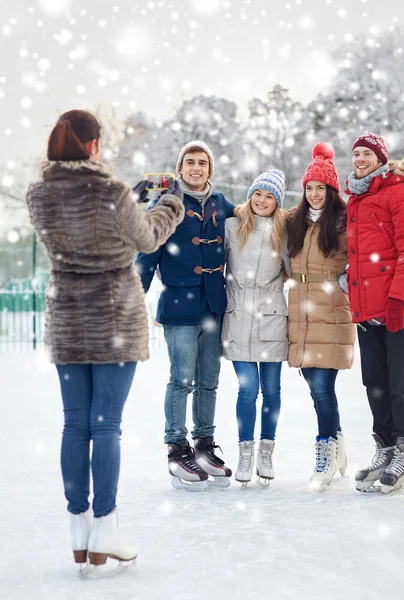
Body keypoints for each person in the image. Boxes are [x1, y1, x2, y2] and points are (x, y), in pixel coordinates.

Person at [25, 110, 184, 568]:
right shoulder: (111, 192)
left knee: (74, 423)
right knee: (106, 425)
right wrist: (168, 203)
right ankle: (106, 527)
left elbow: (76, 238)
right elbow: (149, 237)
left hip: (69, 318)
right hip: (113, 318)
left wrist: (128, 204)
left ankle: (79, 528)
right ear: (94, 145)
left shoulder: (39, 195)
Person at [135, 140, 235, 489]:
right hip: (179, 307)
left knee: (209, 381)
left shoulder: (222, 204)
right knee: (182, 379)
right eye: (190, 162)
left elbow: (256, 221)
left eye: (203, 163)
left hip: (213, 306)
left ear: (210, 169)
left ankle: (204, 445)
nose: (196, 168)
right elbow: (147, 254)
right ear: (180, 168)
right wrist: (133, 299)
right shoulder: (168, 204)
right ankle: (177, 448)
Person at [346, 133, 404, 494]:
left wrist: (398, 299)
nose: (360, 159)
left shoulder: (401, 192)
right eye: (356, 154)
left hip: (400, 305)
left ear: (381, 158)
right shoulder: (356, 198)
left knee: (399, 381)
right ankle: (386, 447)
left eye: (367, 154)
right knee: (374, 381)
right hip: (367, 307)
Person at [286, 143, 356, 491]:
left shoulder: (343, 221)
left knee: (322, 386)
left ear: (332, 190)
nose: (315, 194)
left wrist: (346, 280)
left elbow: (361, 255)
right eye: (310, 188)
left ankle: (326, 451)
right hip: (301, 310)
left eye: (321, 188)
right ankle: (338, 444)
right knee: (313, 384)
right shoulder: (295, 222)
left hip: (330, 307)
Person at [222, 169, 290, 486]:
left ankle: (266, 450)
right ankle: (245, 452)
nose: (262, 201)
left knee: (272, 391)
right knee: (248, 389)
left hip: (271, 320)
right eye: (258, 194)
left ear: (278, 202)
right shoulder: (232, 226)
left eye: (270, 196)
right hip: (237, 318)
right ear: (250, 195)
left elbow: (295, 272)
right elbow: (212, 265)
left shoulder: (285, 232)